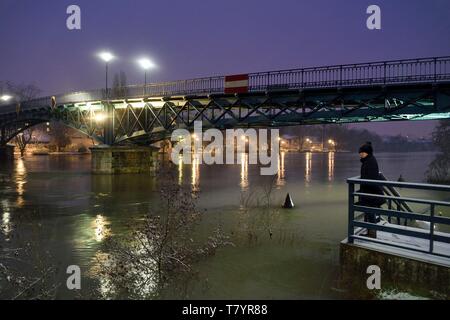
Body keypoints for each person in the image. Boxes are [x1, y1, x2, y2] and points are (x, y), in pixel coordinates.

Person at [357, 142, 385, 238]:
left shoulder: (369, 162)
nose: (360, 154)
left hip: (370, 192)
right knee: (370, 212)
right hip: (369, 191)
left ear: (367, 153)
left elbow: (370, 177)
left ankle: (372, 234)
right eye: (360, 152)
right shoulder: (369, 160)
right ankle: (371, 232)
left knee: (370, 212)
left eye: (362, 152)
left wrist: (363, 191)